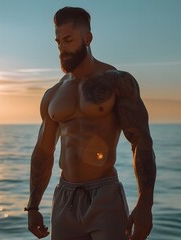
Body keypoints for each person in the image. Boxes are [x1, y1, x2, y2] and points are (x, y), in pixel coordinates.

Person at [25, 6, 156, 240]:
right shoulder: (53, 94)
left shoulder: (116, 82)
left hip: (104, 195)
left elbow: (141, 141)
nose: (62, 47)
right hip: (65, 197)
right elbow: (43, 152)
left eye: (68, 39)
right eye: (58, 42)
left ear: (87, 38)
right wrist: (33, 207)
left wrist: (145, 204)